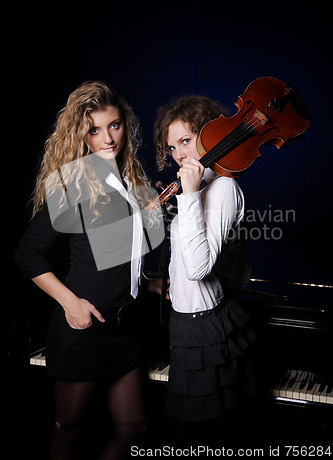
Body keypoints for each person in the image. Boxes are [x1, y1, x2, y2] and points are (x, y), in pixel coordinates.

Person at [15, 81, 162, 459]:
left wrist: (144, 283)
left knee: (135, 429)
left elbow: (118, 252)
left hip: (123, 327)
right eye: (95, 130)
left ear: (125, 124)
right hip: (83, 329)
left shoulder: (130, 180)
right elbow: (28, 253)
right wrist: (70, 303)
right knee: (69, 434)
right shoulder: (74, 182)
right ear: (82, 135)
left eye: (114, 125)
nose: (108, 137)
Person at [154, 95, 256, 443]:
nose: (179, 155)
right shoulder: (190, 190)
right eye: (172, 147)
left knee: (203, 436)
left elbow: (199, 268)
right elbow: (183, 261)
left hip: (207, 330)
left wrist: (190, 194)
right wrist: (166, 285)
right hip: (183, 324)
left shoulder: (223, 188)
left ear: (211, 135)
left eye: (185, 141)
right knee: (184, 434)